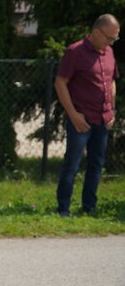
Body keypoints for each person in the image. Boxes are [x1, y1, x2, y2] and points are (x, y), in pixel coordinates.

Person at [55, 14, 120, 217]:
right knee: (72, 165)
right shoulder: (75, 52)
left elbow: (111, 82)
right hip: (81, 120)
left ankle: (89, 207)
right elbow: (60, 82)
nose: (111, 42)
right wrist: (73, 114)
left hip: (102, 119)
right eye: (109, 38)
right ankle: (63, 209)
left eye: (114, 39)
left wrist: (112, 109)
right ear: (96, 32)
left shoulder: (109, 53)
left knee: (96, 164)